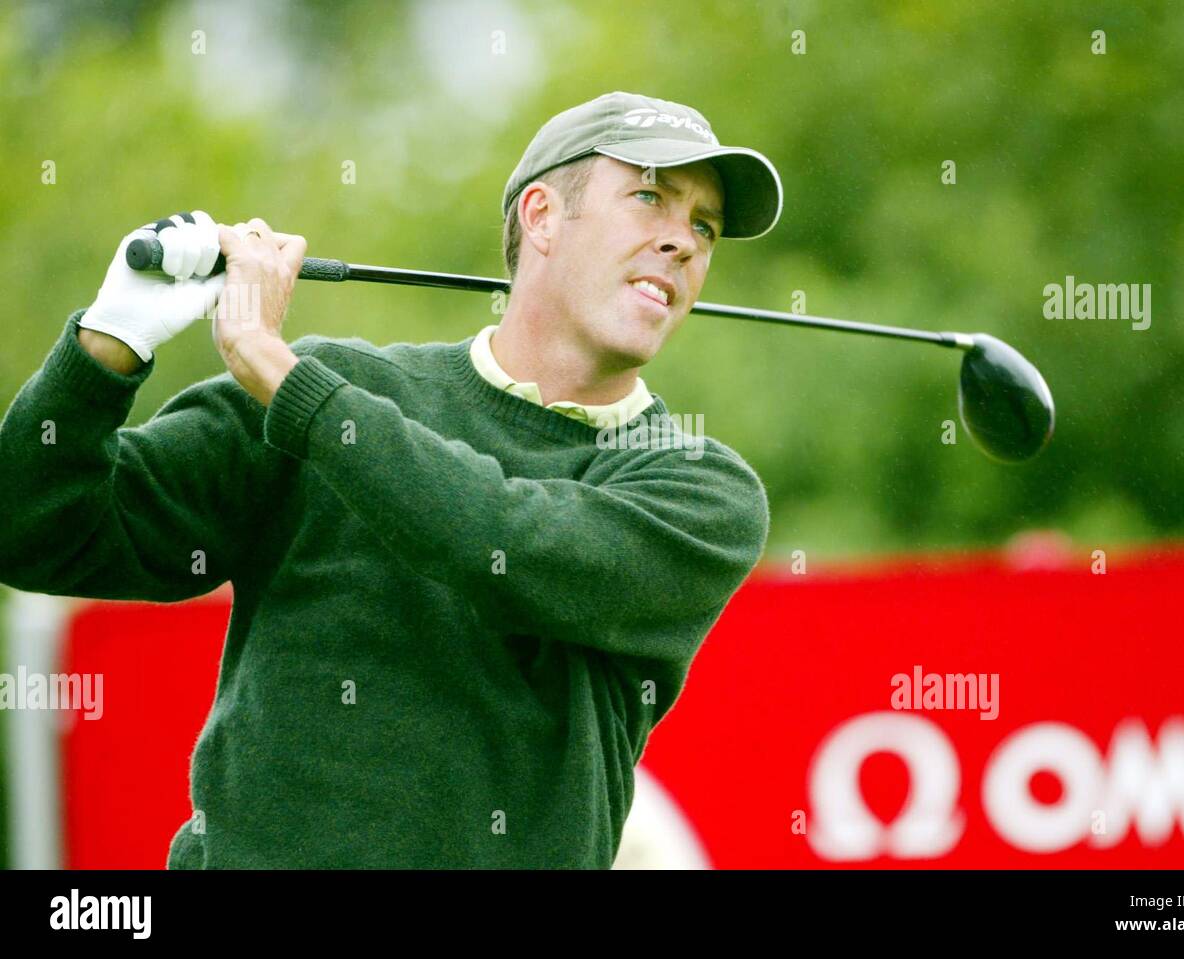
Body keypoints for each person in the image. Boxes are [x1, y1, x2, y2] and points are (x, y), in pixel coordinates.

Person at [0, 90, 783, 868]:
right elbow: (33, 532)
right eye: (650, 196)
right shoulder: (335, 386)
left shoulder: (699, 488)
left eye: (703, 226)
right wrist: (106, 346)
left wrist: (279, 371)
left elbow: (503, 538)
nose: (682, 240)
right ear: (542, 216)